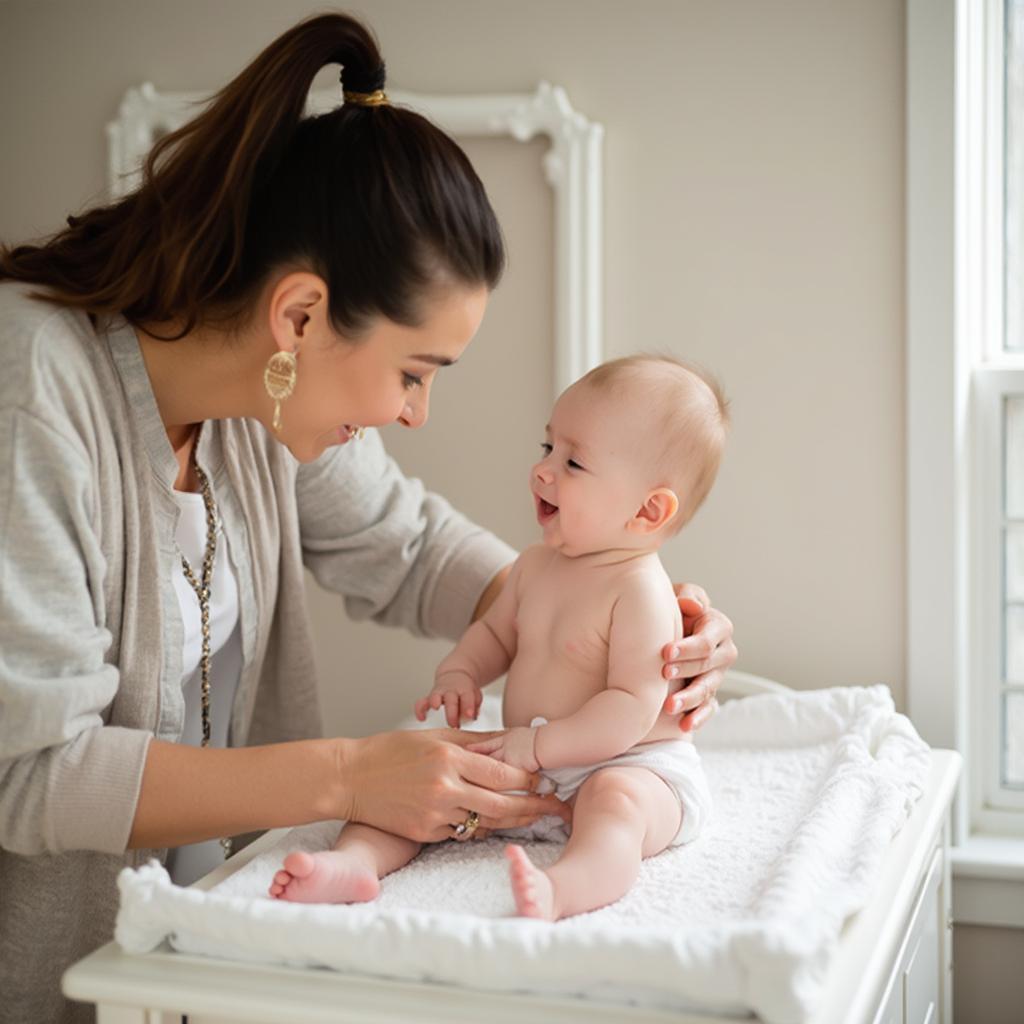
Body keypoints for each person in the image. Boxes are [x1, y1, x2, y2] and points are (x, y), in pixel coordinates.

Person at [0, 13, 736, 1023]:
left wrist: (614, 604)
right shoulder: (34, 391)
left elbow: (412, 546)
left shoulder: (254, 406)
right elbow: (35, 771)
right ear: (299, 316)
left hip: (195, 953)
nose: (411, 413)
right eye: (412, 372)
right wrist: (348, 774)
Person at [270, 355, 725, 920]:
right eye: (547, 449)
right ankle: (356, 863)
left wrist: (538, 746)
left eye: (574, 462)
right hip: (536, 764)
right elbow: (494, 633)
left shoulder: (642, 593)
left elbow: (631, 709)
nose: (543, 470)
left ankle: (569, 886)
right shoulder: (535, 566)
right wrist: (460, 673)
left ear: (649, 510)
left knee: (617, 807)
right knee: (422, 784)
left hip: (632, 763)